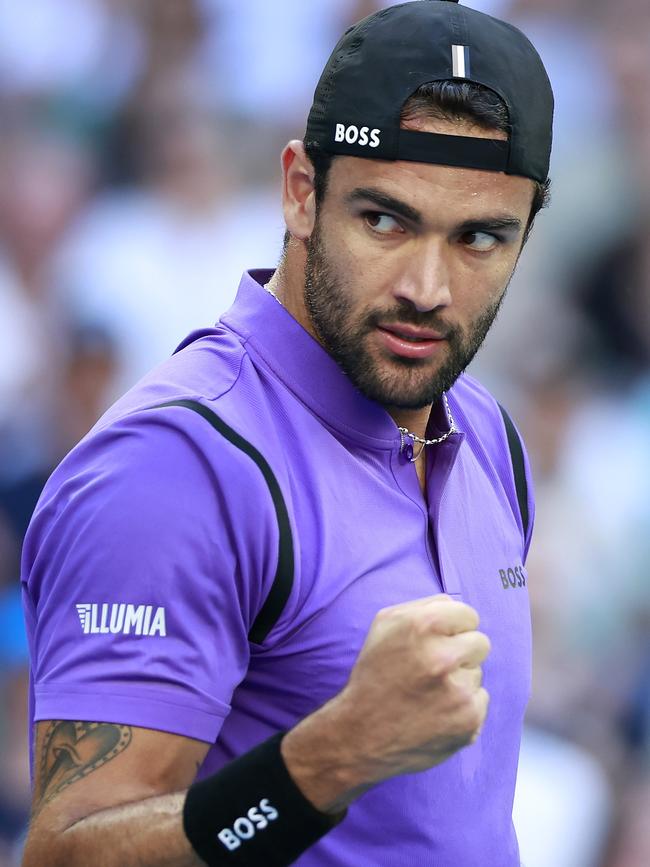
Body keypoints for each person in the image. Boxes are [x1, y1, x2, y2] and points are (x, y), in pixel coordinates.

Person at [20, 1, 554, 865]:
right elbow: (64, 855)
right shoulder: (171, 469)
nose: (427, 285)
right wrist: (326, 759)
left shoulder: (484, 430)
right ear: (300, 191)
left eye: (480, 238)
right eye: (385, 219)